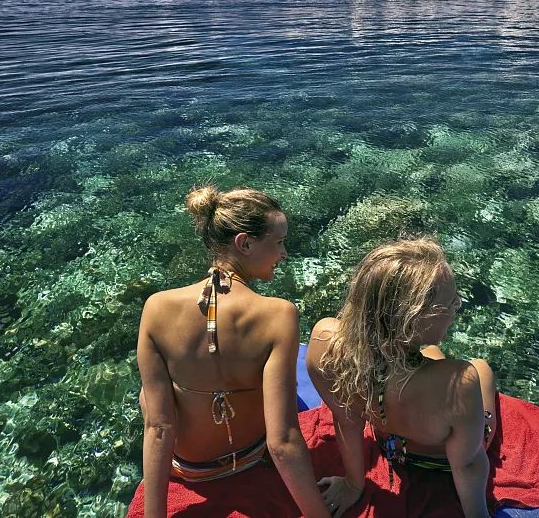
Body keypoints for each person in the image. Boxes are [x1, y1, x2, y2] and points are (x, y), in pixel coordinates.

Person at [136, 185, 331, 518]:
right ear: (245, 243)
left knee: (148, 396)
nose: (284, 254)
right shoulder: (279, 314)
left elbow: (159, 428)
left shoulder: (156, 308)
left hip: (192, 470)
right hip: (253, 454)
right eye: (280, 242)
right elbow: (282, 441)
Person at [306, 238, 499, 518]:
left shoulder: (324, 340)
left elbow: (346, 419)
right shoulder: (461, 380)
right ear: (415, 319)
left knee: (431, 352)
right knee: (482, 368)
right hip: (441, 460)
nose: (457, 307)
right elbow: (468, 464)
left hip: (390, 443)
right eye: (451, 304)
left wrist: (352, 484)